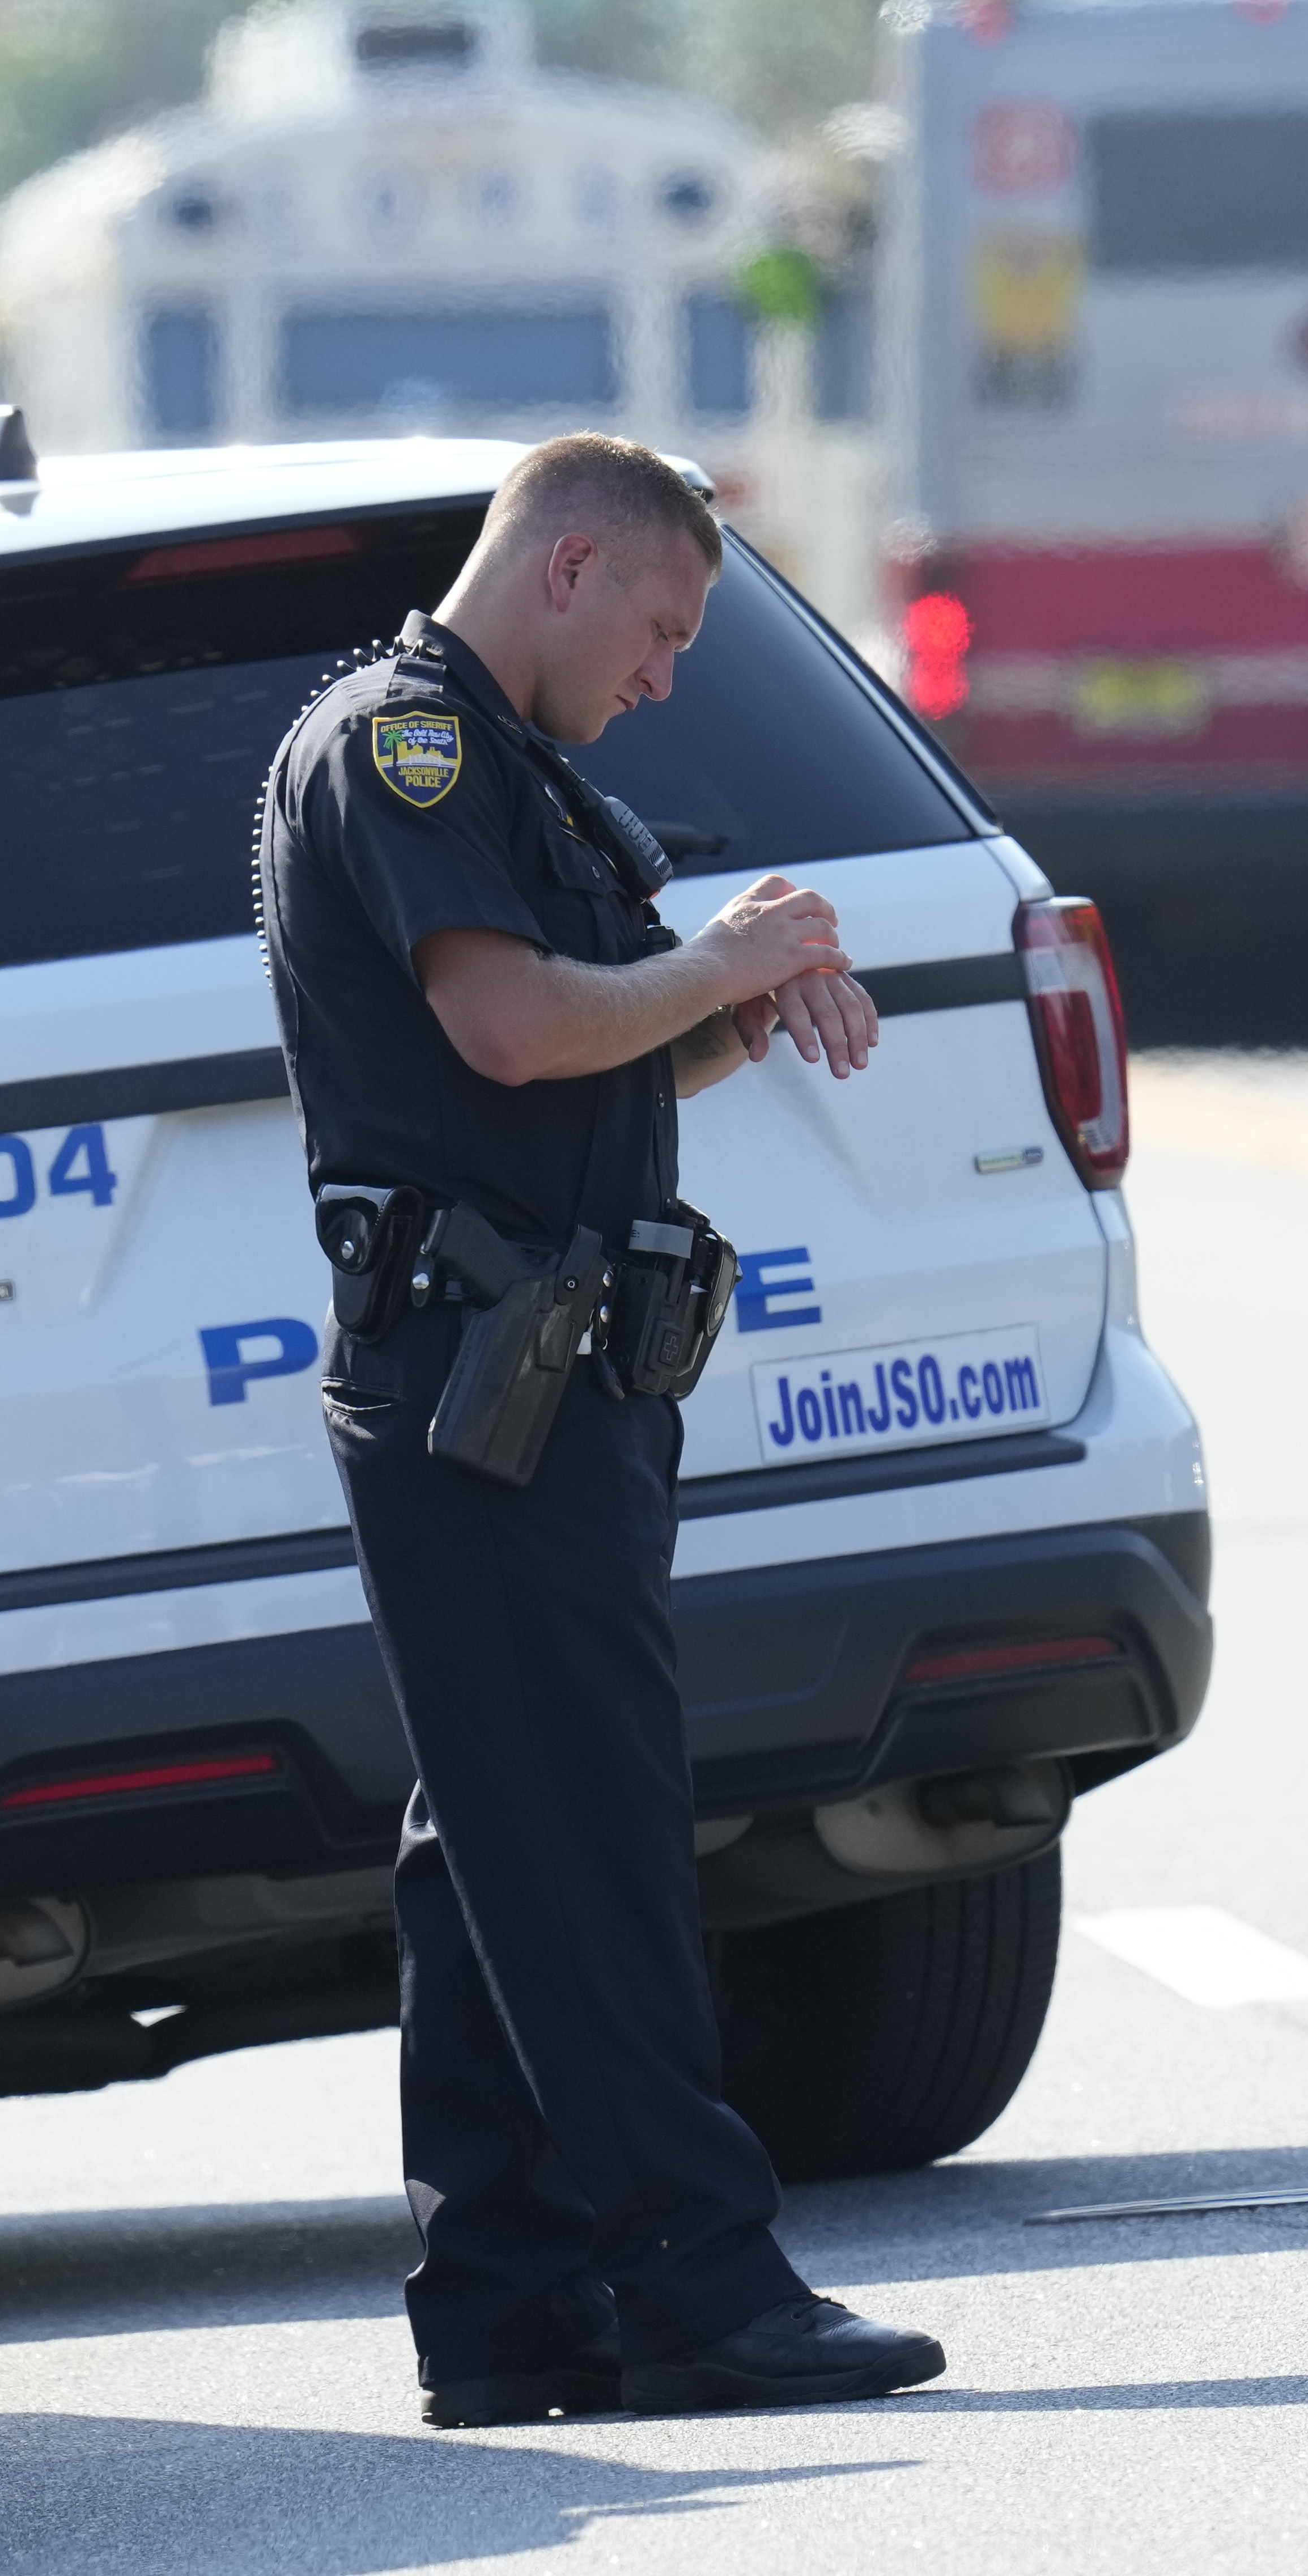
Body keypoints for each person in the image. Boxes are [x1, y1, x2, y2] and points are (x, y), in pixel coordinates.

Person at [259, 434, 948, 2424]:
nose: (663, 679)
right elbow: (504, 1026)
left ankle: (510, 2300)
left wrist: (741, 1003)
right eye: (659, 631)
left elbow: (571, 1066)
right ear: (567, 566)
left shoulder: (516, 763)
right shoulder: (410, 749)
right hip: (485, 1379)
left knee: (497, 1846)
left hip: (550, 1369)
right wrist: (709, 961)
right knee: (590, 1837)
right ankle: (702, 2285)